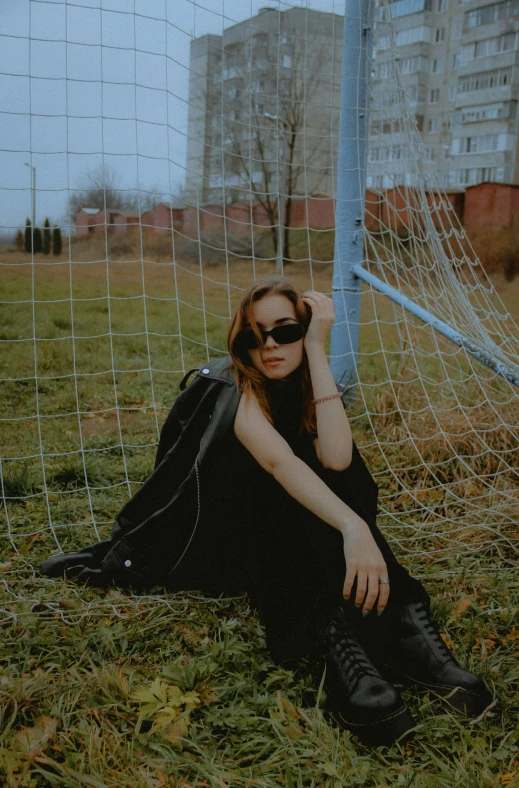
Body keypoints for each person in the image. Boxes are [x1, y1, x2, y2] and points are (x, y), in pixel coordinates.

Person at [41, 275, 492, 748]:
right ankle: (333, 631)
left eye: (287, 331)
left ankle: (404, 623)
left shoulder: (308, 380)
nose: (271, 346)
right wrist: (353, 527)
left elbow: (339, 458)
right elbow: (278, 463)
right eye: (254, 337)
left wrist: (318, 350)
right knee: (289, 479)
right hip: (238, 537)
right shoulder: (238, 388)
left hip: (302, 537)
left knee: (337, 471)